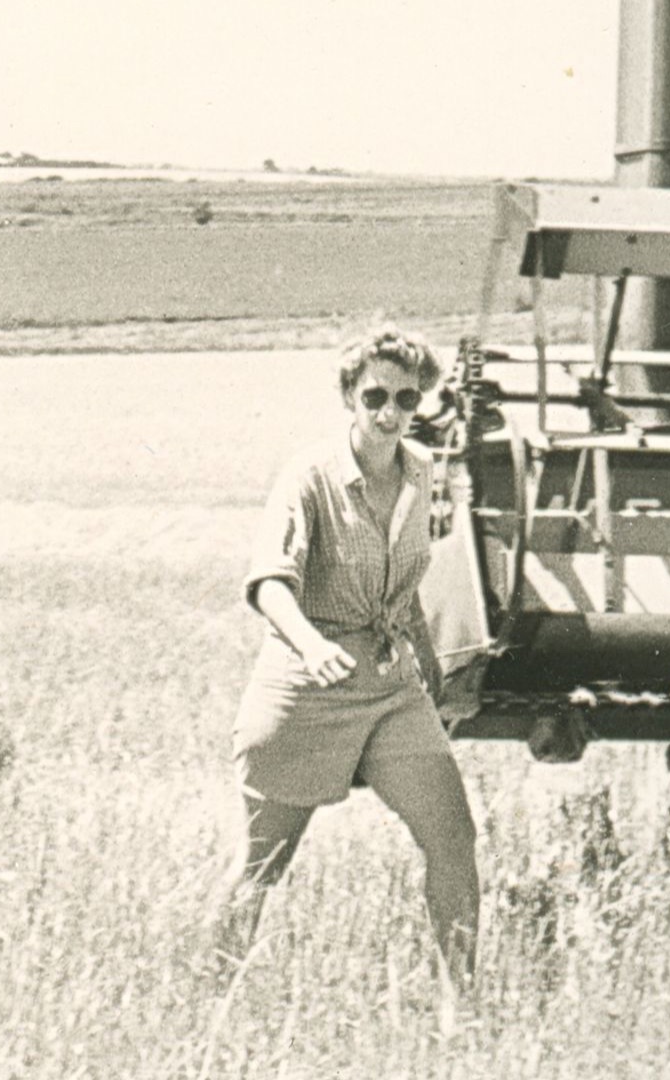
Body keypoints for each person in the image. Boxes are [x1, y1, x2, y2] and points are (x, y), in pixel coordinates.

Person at [217, 325, 480, 986]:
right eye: (375, 397)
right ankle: (212, 998)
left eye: (406, 399)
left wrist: (431, 668)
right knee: (262, 864)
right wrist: (310, 646)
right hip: (306, 685)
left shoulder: (421, 472)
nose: (390, 412)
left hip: (391, 686)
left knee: (453, 838)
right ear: (348, 397)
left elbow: (406, 587)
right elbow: (270, 581)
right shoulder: (312, 476)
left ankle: (464, 1009)